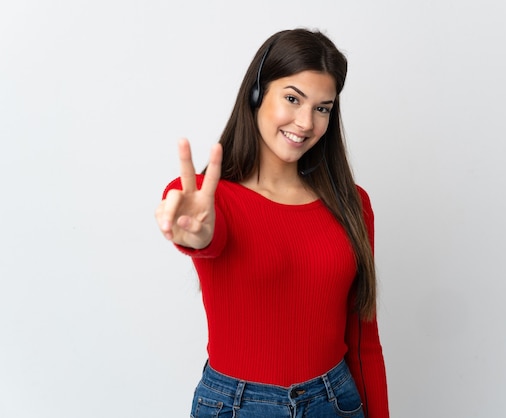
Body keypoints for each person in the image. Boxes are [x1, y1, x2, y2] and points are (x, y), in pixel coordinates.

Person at [156, 28, 389, 418]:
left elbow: (364, 341)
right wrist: (196, 235)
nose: (305, 122)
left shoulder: (353, 204)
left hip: (335, 401)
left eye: (322, 108)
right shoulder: (209, 201)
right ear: (257, 93)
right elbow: (207, 236)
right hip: (237, 406)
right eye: (292, 98)